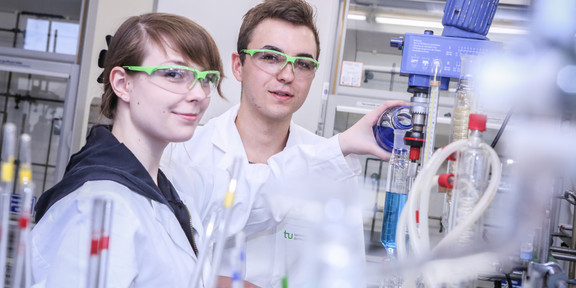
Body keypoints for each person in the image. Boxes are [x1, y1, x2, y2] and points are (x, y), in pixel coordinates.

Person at [161, 1, 407, 287]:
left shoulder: (334, 168)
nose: (287, 75)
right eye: (270, 57)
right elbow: (164, 265)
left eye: (303, 63)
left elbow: (344, 276)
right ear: (238, 66)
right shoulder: (182, 154)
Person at [31, 13, 224, 288]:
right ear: (123, 84)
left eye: (206, 78)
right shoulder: (104, 208)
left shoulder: (164, 187)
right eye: (174, 74)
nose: (199, 94)